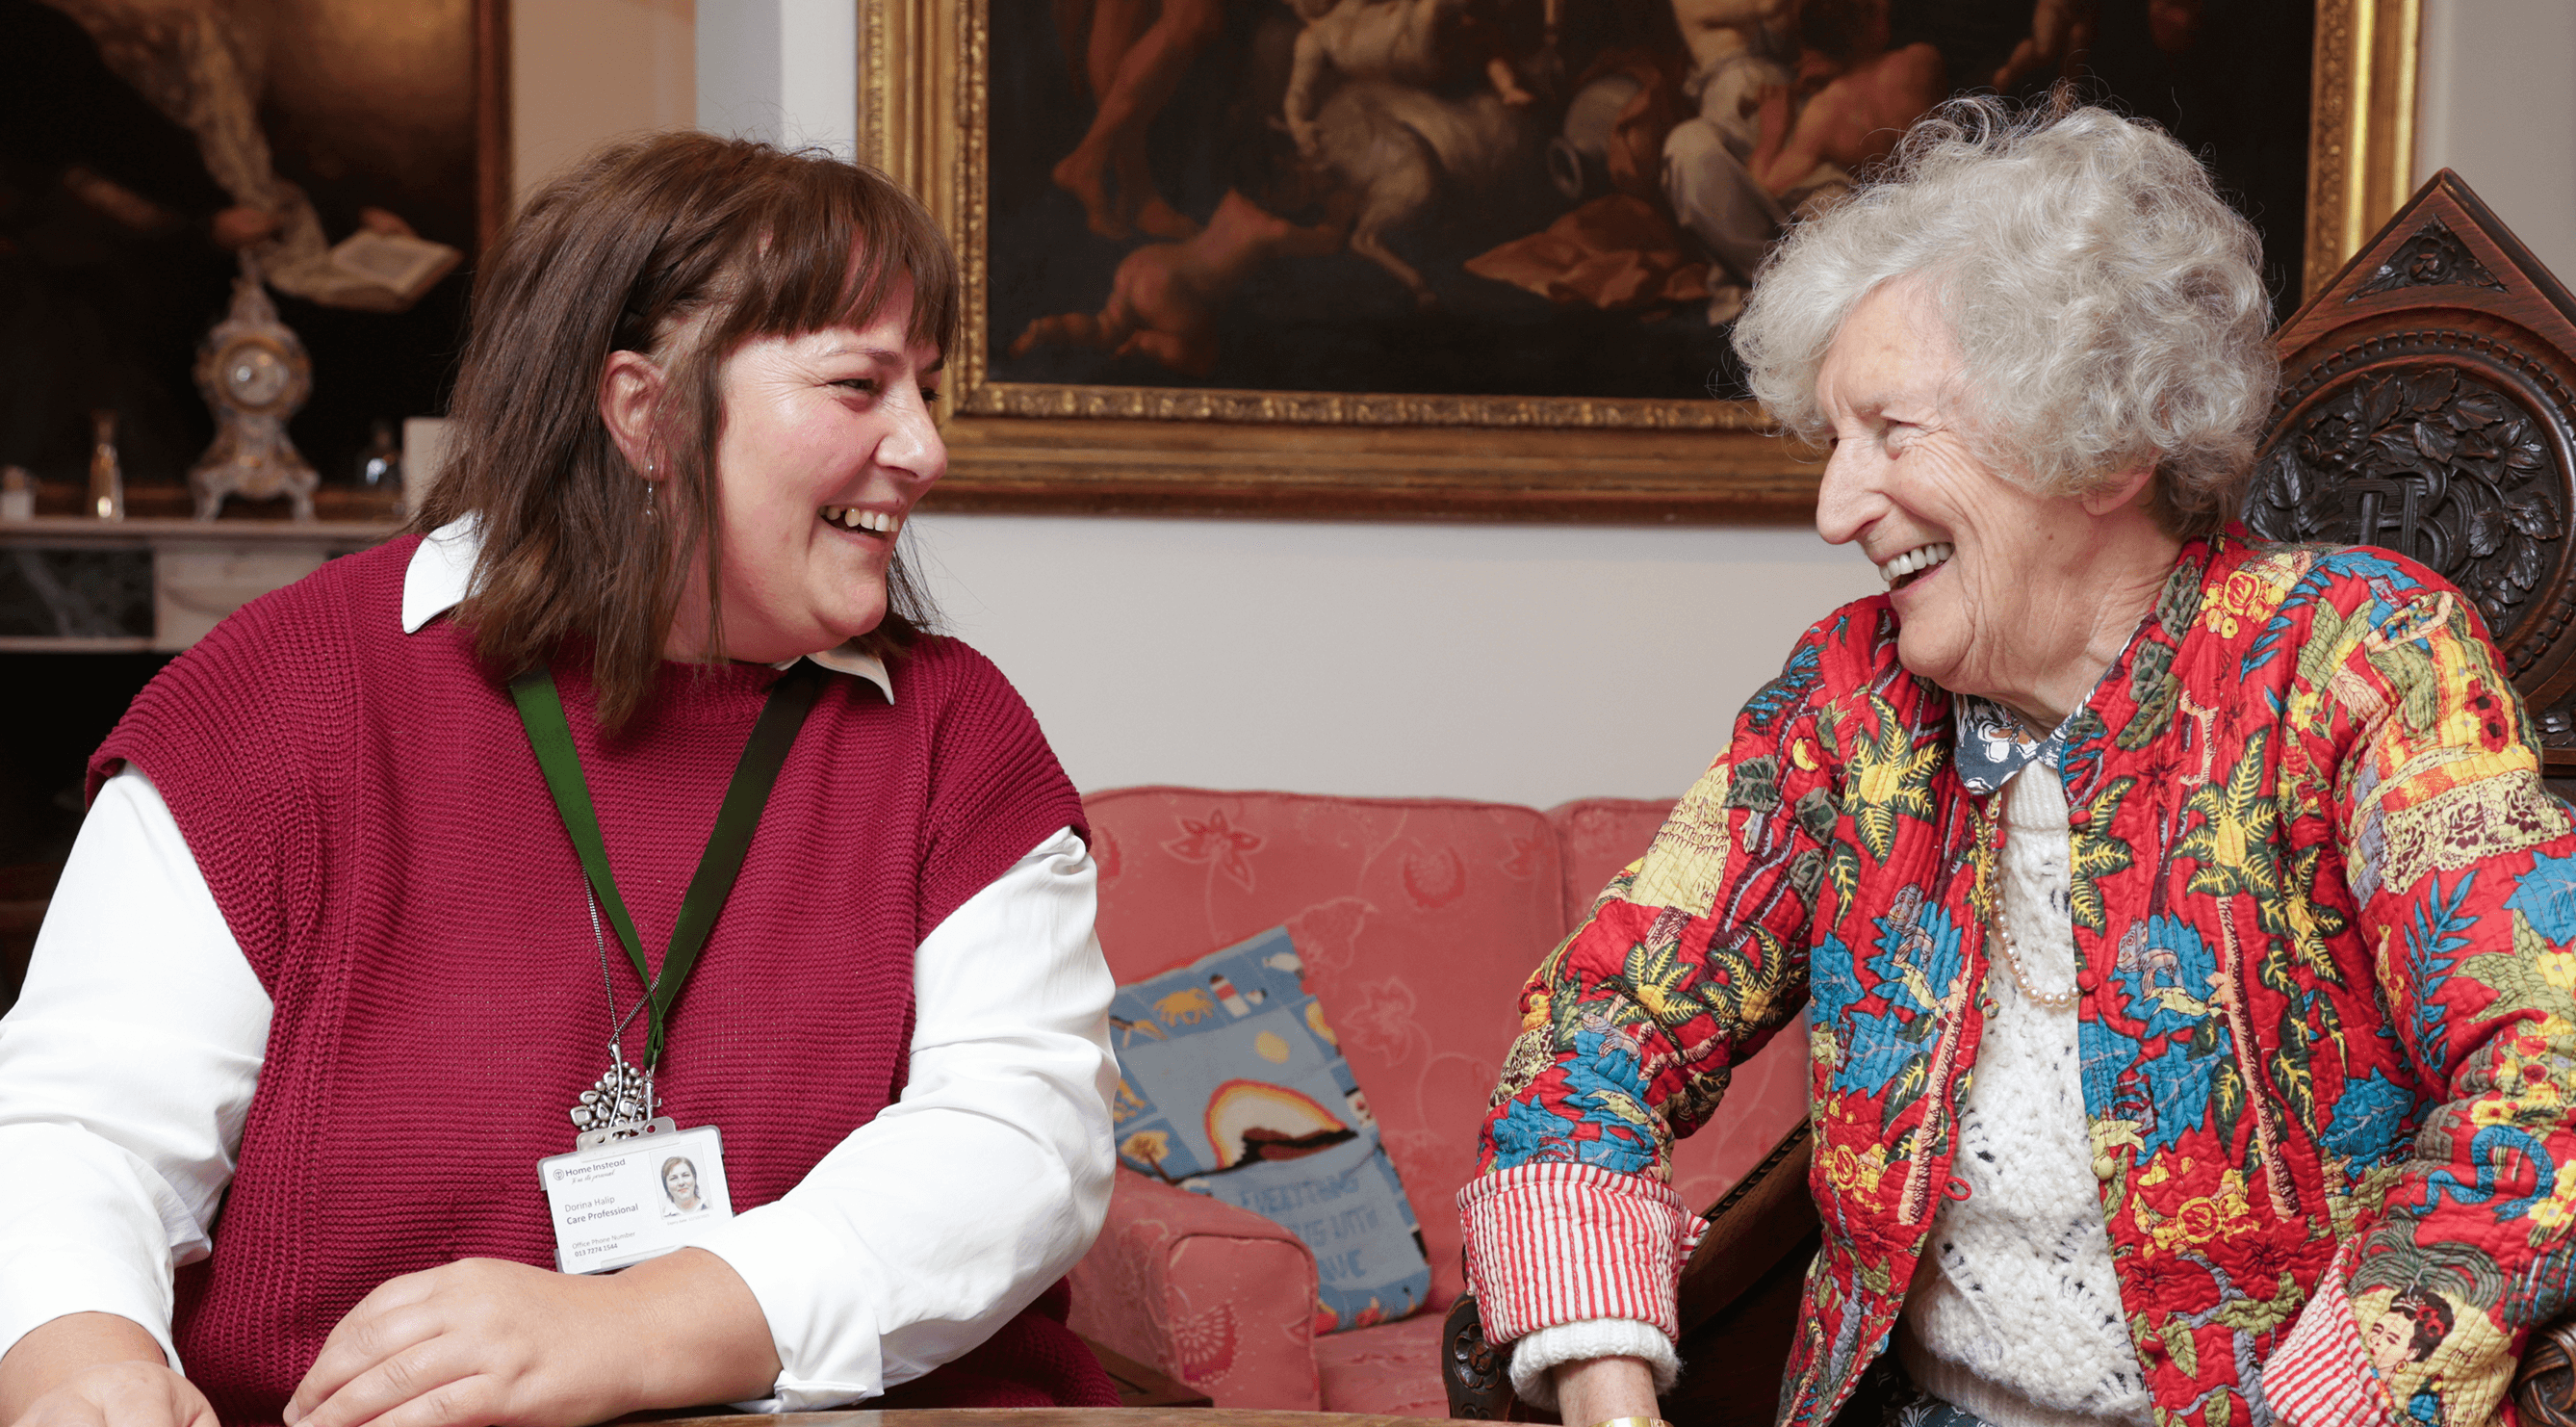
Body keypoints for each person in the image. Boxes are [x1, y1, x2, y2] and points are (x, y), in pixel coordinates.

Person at [1459, 95, 2576, 1427]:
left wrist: (2331, 1402)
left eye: (1892, 433)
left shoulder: (2355, 657)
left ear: (2097, 441)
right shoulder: (1849, 698)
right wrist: (1608, 1392)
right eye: (1831, 443)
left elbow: (2548, 1072)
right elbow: (1595, 1032)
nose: (1834, 509)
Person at [0, 132, 1122, 1427]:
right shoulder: (280, 696)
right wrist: (84, 1369)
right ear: (643, 411)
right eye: (860, 385)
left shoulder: (955, 734)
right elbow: (81, 1127)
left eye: (925, 388)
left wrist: (642, 1325)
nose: (925, 450)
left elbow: (1022, 1139)